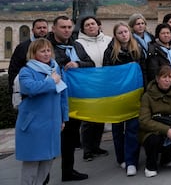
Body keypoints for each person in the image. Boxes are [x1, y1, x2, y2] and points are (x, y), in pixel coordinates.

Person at [15, 39, 68, 185]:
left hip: (52, 123)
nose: (46, 54)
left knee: (47, 161)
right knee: (31, 163)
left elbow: (63, 95)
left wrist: (63, 117)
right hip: (33, 124)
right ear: (34, 53)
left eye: (48, 50)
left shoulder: (55, 69)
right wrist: (51, 81)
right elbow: (29, 88)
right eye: (42, 51)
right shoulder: (26, 70)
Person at [49, 15, 94, 182]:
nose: (67, 30)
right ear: (54, 28)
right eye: (63, 27)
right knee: (51, 139)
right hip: (53, 99)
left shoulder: (76, 45)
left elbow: (90, 63)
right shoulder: (47, 46)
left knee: (70, 137)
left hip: (74, 98)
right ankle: (42, 176)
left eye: (69, 27)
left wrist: (78, 64)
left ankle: (68, 171)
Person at [102, 22, 146, 176]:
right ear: (115, 35)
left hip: (134, 95)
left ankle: (131, 161)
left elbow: (144, 71)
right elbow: (108, 74)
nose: (124, 35)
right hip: (117, 97)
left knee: (133, 128)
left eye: (126, 31)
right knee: (117, 129)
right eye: (120, 33)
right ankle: (121, 158)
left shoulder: (138, 49)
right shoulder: (110, 51)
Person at [139, 66, 171, 178]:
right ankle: (150, 166)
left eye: (170, 77)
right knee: (153, 140)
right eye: (164, 77)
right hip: (153, 131)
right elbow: (144, 120)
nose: (167, 80)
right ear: (157, 79)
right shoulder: (147, 96)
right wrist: (166, 130)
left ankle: (166, 158)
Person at [75, 16, 112, 162]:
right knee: (89, 118)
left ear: (98, 25)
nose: (91, 27)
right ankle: (87, 149)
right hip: (88, 84)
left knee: (101, 116)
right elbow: (83, 61)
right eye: (87, 25)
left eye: (93, 24)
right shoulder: (78, 43)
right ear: (83, 29)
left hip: (105, 83)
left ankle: (96, 146)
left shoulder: (108, 40)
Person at [8, 18, 48, 95]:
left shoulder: (52, 45)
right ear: (33, 30)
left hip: (48, 89)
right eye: (39, 28)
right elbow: (13, 70)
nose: (42, 30)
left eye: (44, 28)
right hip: (28, 90)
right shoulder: (23, 47)